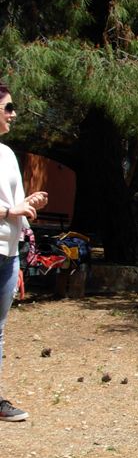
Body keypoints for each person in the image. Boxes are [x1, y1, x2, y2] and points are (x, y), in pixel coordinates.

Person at [0, 80, 48, 422]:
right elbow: (8, 209)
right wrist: (9, 211)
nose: (14, 114)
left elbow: (14, 206)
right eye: (8, 107)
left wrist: (28, 204)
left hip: (8, 252)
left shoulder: (7, 155)